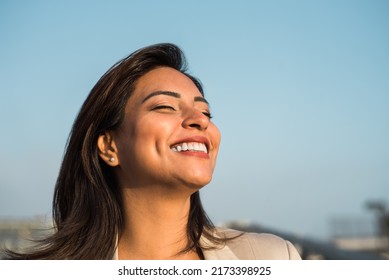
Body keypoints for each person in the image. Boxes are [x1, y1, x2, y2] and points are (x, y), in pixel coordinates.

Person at [5, 43, 301, 260]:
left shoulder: (273, 259)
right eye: (165, 106)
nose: (199, 120)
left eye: (206, 112)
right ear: (110, 147)